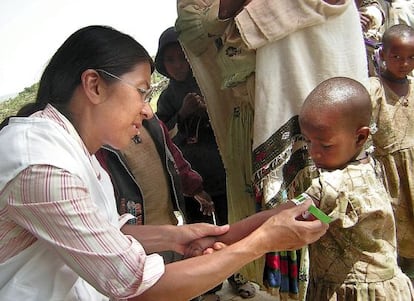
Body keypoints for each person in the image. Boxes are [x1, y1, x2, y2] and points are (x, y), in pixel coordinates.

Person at [0, 25, 328, 301]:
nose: (147, 109)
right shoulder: (43, 166)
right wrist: (264, 240)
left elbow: (110, 234)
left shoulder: (72, 151)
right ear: (95, 86)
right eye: (142, 92)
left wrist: (177, 237)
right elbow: (137, 286)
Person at [176, 0, 368, 299]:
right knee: (280, 228)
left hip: (314, 102)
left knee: (327, 218)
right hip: (249, 117)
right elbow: (191, 30)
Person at [155, 26, 254, 300]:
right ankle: (208, 285)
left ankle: (238, 276)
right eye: (170, 60)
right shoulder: (166, 98)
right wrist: (182, 113)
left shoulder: (212, 84)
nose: (177, 65)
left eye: (182, 57)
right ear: (163, 65)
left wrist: (208, 109)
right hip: (189, 179)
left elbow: (228, 119)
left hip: (219, 168)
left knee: (228, 226)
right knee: (197, 234)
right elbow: (162, 135)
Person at [298, 76, 414, 300]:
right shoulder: (372, 164)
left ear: (361, 136)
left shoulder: (329, 187)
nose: (313, 153)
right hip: (388, 289)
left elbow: (283, 215)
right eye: (307, 141)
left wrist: (226, 237)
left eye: (325, 145)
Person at [96, 108, 215, 264]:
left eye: (147, 95)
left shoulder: (152, 125)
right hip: (134, 247)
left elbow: (174, 160)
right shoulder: (98, 144)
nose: (147, 110)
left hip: (170, 234)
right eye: (140, 91)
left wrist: (195, 188)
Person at [369, 23, 414, 283]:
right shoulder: (374, 88)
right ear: (382, 54)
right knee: (395, 234)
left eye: (410, 57)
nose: (404, 63)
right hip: (390, 177)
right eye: (396, 56)